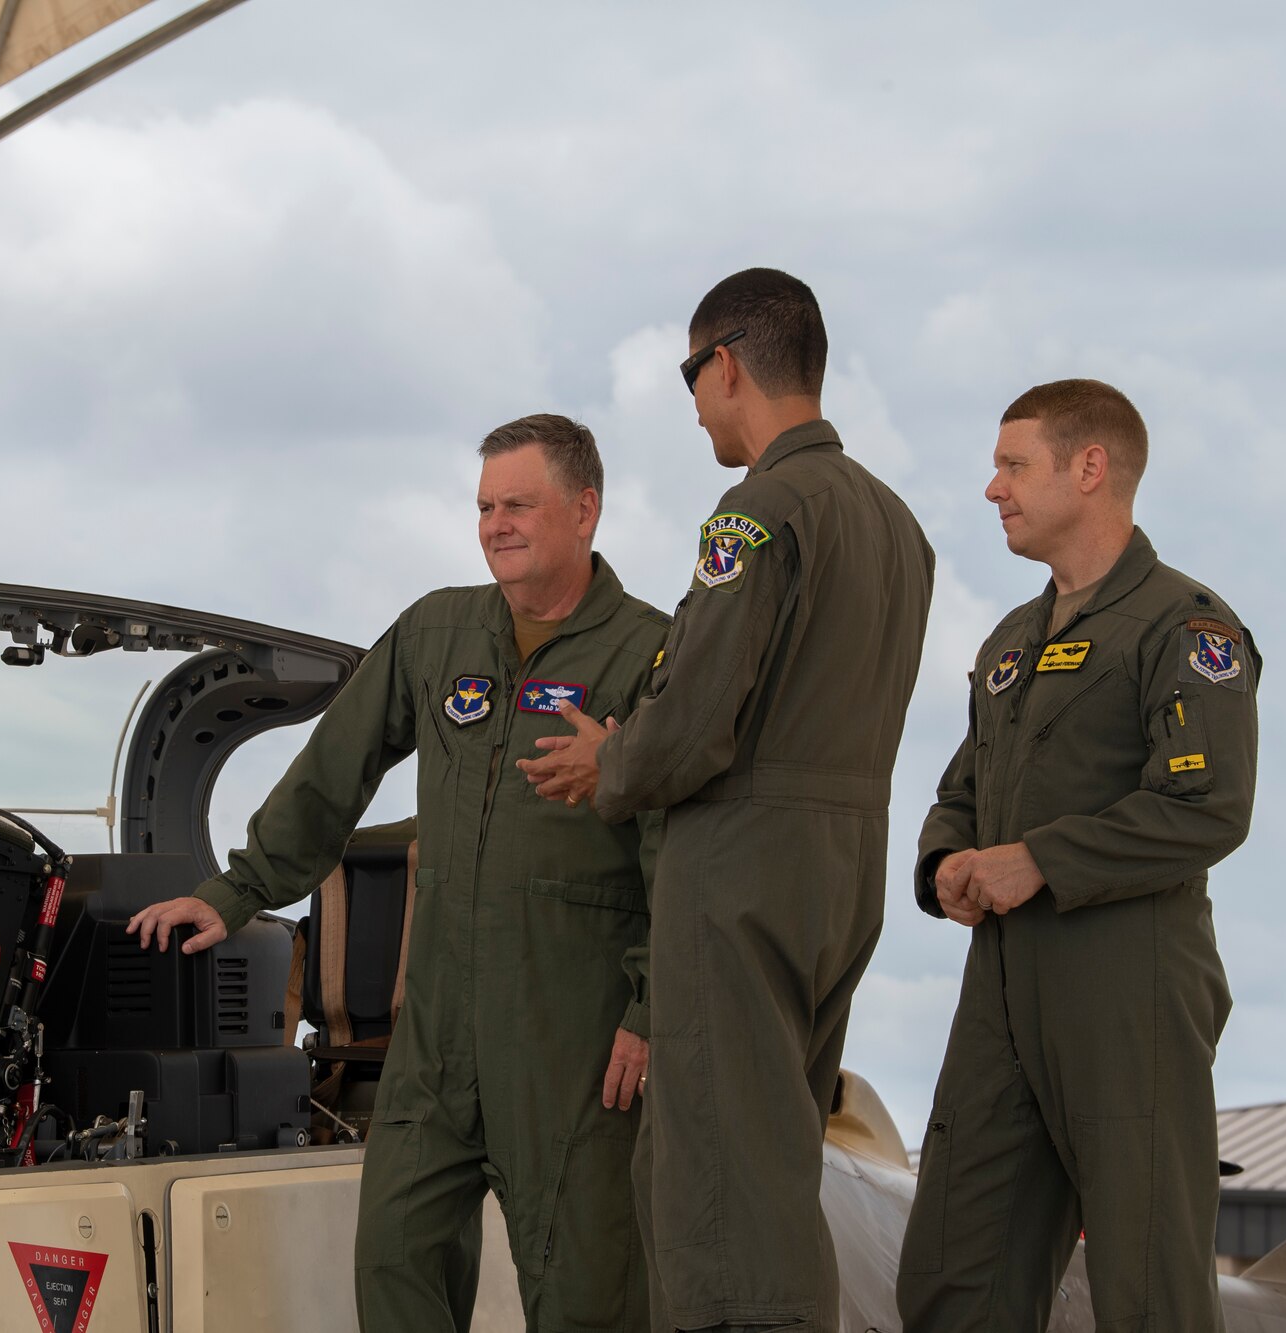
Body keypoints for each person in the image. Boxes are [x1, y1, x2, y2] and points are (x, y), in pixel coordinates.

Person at [127, 414, 670, 1332]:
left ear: (586, 509)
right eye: (486, 506)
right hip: (439, 1039)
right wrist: (240, 887)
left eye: (520, 504)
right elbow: (333, 771)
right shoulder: (436, 632)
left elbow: (683, 848)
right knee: (393, 1261)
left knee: (586, 1296)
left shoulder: (651, 653)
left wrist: (651, 1010)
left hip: (571, 1042)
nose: (497, 523)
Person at [520, 268, 934, 1333]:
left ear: (725, 365)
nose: (692, 404)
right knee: (777, 1155)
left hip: (739, 877)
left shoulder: (755, 513)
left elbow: (700, 715)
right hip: (843, 872)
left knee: (714, 1193)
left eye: (689, 377)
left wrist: (608, 766)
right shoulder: (894, 524)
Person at [895, 379, 1258, 1332]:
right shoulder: (1011, 641)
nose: (992, 489)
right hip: (1003, 992)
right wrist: (944, 864)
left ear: (1089, 469)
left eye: (1013, 465)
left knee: (1149, 1290)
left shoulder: (1187, 625)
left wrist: (1042, 859)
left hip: (1128, 990)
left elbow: (1207, 805)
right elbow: (958, 792)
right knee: (951, 1275)